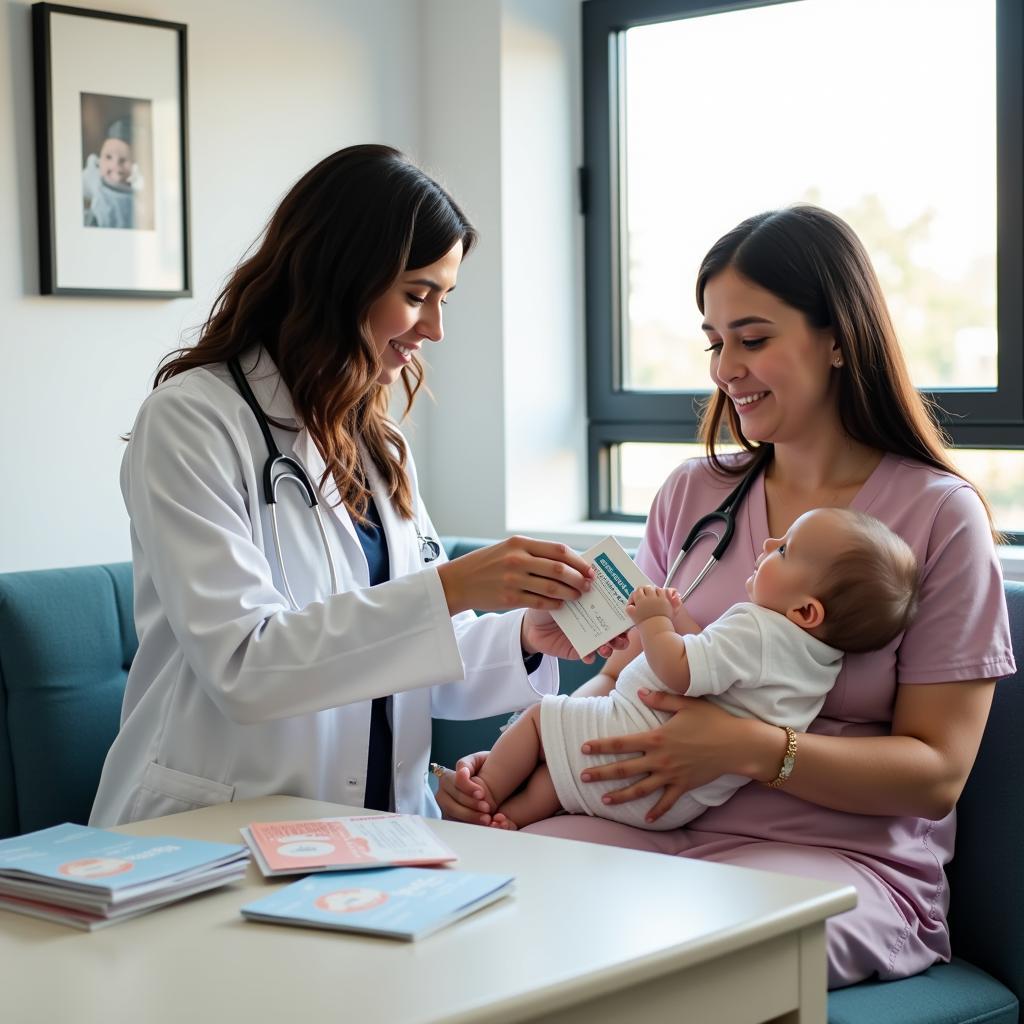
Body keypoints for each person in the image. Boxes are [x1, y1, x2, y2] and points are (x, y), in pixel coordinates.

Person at [437, 205, 1016, 989]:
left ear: (839, 337)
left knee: (683, 957)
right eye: (714, 343)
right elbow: (621, 676)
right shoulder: (692, 494)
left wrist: (747, 749)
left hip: (832, 858)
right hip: (638, 825)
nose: (723, 369)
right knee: (474, 910)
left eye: (752, 339)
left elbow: (935, 771)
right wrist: (517, 763)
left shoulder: (937, 515)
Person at [89, 144, 626, 828]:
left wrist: (526, 634)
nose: (433, 328)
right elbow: (245, 667)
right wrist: (455, 586)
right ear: (339, 277)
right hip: (213, 830)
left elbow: (413, 650)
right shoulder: (193, 420)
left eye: (443, 298)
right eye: (416, 295)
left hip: (380, 834)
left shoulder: (379, 443)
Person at [470, 508, 918, 832]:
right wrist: (678, 621)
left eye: (784, 550)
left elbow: (679, 672)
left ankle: (482, 796)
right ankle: (512, 818)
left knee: (539, 720)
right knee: (561, 776)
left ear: (805, 610)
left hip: (638, 735)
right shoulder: (818, 665)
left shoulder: (757, 627)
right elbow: (712, 664)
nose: (765, 545)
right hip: (673, 802)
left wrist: (653, 620)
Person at [82, 118, 136, 229]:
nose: (115, 165)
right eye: (108, 157)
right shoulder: (95, 177)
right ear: (99, 160)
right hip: (98, 224)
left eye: (123, 160)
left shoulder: (136, 188)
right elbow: (74, 189)